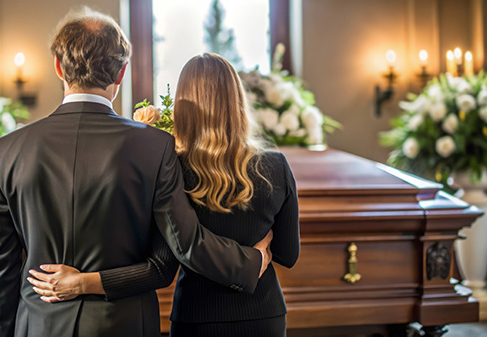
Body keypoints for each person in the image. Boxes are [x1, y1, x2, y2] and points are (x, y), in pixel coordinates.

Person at [0, 8, 272, 337]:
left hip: (38, 324)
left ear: (59, 67)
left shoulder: (5, 150)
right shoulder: (155, 146)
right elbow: (184, 243)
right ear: (121, 74)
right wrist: (250, 262)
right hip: (125, 325)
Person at [29, 53, 300, 337]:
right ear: (237, 102)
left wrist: (84, 282)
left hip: (197, 316)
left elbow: (161, 266)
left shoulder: (172, 168)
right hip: (265, 315)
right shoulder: (276, 165)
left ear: (183, 104)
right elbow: (288, 254)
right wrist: (257, 254)